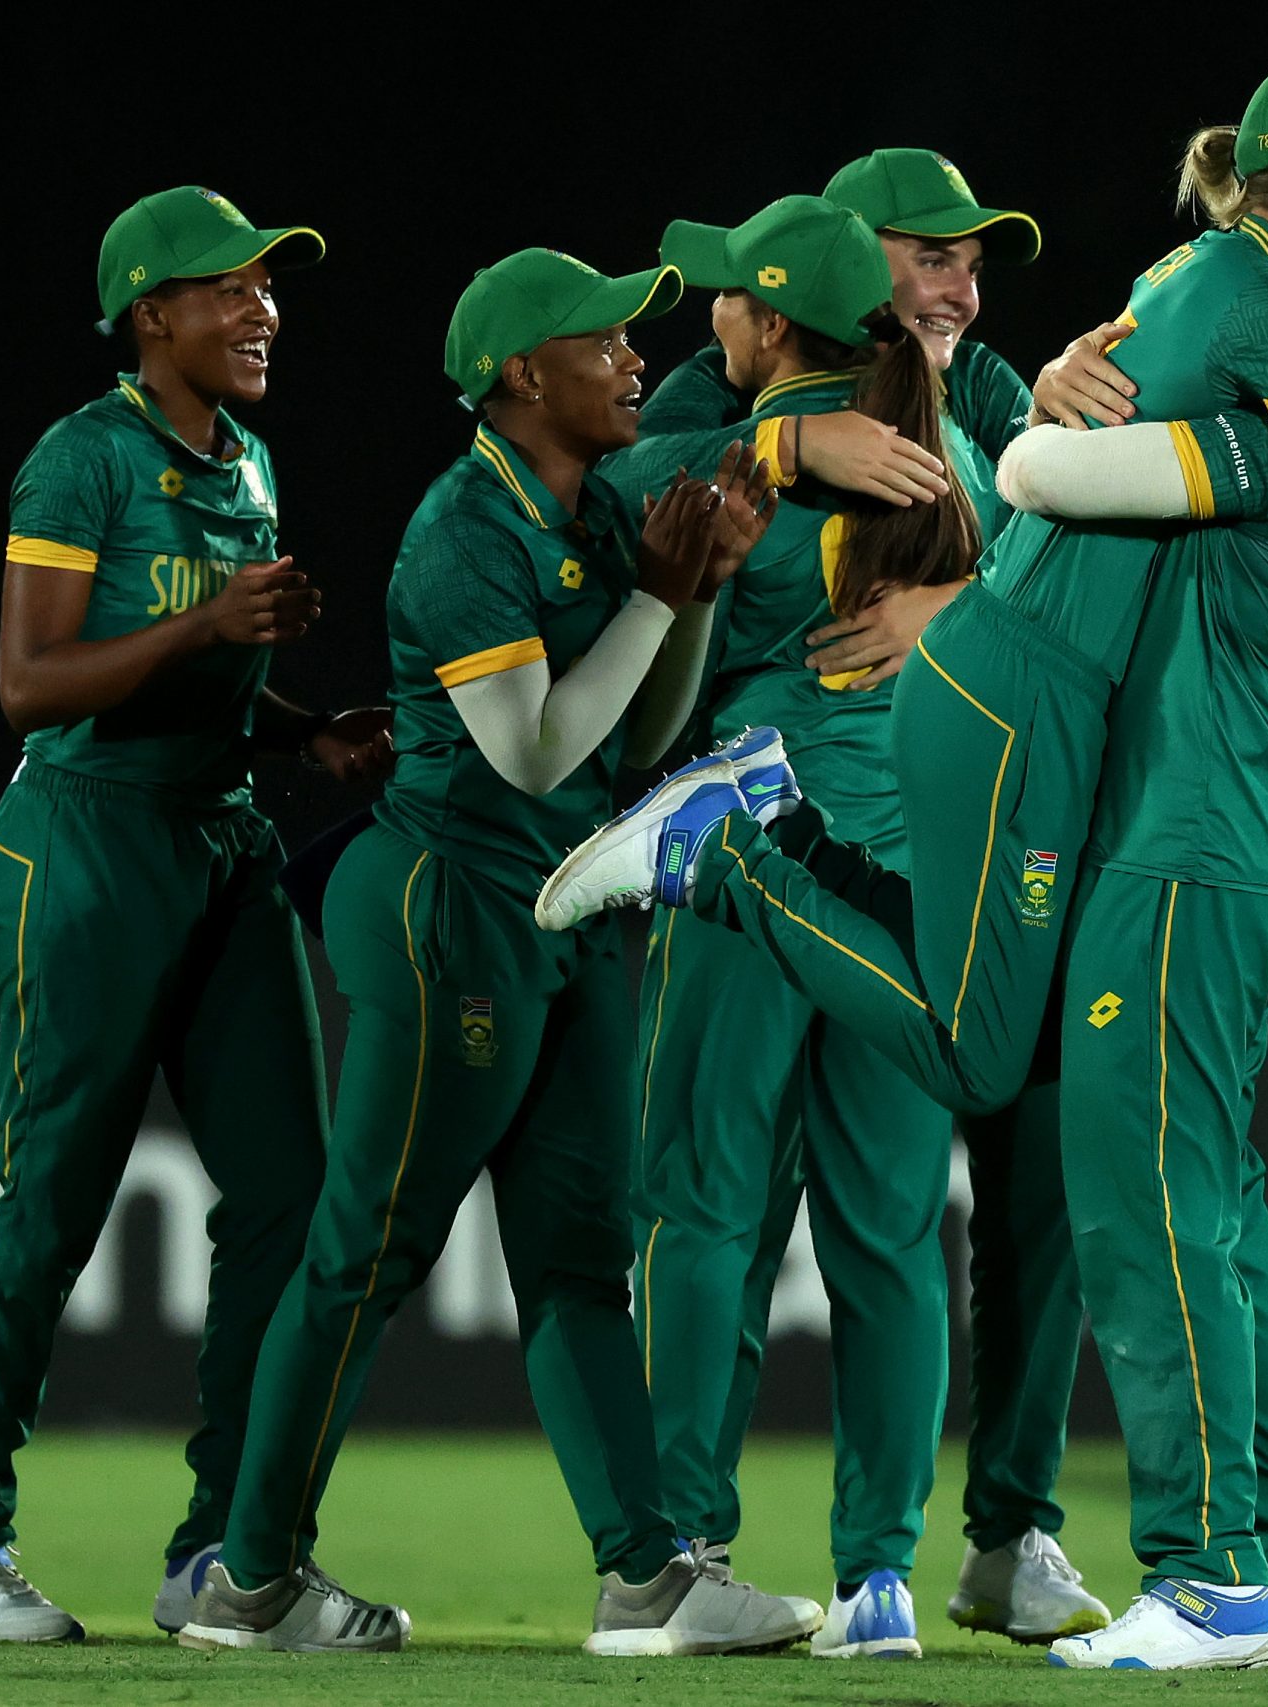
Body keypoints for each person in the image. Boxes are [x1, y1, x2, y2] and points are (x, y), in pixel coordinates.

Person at [543, 52, 1268, 1672]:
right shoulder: (1247, 353)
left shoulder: (1257, 385)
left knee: (1041, 1151)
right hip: (1101, 783)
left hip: (1078, 781)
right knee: (1092, 1166)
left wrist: (1036, 509)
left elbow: (1052, 471)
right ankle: (1238, 1533)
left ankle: (1052, 1556)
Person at [168, 245, 816, 1658]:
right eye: (607, 342)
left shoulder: (596, 515)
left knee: (583, 1258)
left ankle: (647, 1579)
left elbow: (633, 747)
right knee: (369, 1252)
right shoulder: (466, 526)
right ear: (524, 374)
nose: (637, 360)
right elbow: (527, 756)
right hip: (445, 908)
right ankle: (249, 1579)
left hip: (565, 908)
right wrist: (656, 597)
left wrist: (693, 593)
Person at [0, 186, 391, 1643]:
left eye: (271, 290)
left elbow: (197, 676)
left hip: (222, 841)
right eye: (229, 290)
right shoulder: (83, 460)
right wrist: (208, 627)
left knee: (295, 1204)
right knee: (51, 1208)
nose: (264, 311)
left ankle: (228, 1563)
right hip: (86, 847)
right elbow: (32, 688)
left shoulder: (251, 460)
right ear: (149, 313)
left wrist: (303, 734)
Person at [604, 190, 1081, 1659]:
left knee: (704, 1206)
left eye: (727, 305)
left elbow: (596, 493)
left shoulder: (721, 459)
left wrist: (766, 444)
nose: (710, 325)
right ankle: (880, 1576)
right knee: (889, 1229)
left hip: (744, 836)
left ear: (771, 317)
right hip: (904, 865)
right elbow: (1060, 577)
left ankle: (674, 1562)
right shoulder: (947, 453)